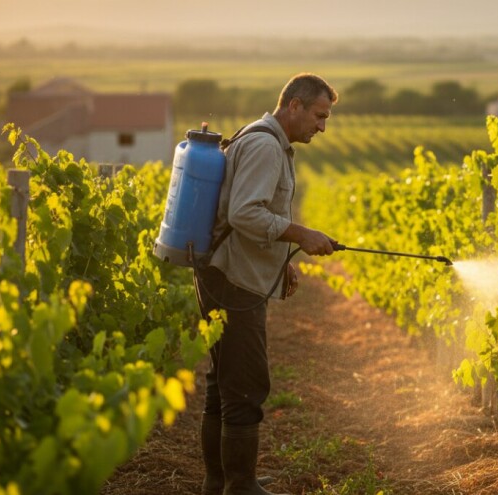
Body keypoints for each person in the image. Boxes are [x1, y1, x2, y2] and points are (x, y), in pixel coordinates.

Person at [195, 73, 338, 495]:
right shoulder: (264, 145)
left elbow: (249, 215)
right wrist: (301, 234)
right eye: (319, 115)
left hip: (225, 273)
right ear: (293, 105)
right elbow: (245, 214)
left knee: (223, 383)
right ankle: (239, 487)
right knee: (246, 386)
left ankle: (219, 481)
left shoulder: (263, 138)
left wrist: (282, 258)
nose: (322, 126)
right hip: (234, 280)